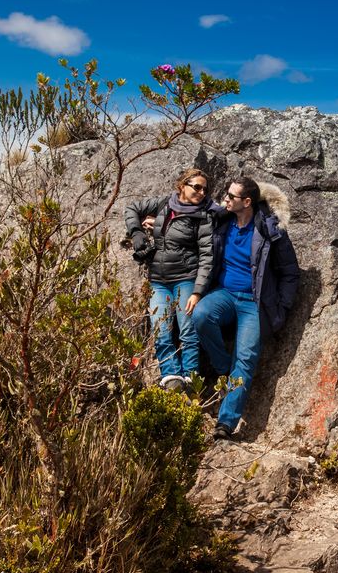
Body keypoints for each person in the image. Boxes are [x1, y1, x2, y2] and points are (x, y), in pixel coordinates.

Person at [193, 176, 300, 440]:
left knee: (247, 358)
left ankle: (226, 423)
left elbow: (290, 273)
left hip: (254, 303)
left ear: (248, 202)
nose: (225, 199)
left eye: (231, 196)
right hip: (224, 294)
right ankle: (223, 367)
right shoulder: (222, 221)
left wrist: (282, 308)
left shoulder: (269, 229)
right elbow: (184, 205)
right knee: (201, 315)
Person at [124, 168, 217, 391]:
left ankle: (191, 379)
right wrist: (136, 232)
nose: (201, 192)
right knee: (161, 330)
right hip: (158, 280)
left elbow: (207, 257)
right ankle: (171, 377)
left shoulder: (203, 218)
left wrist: (197, 291)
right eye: (197, 187)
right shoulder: (166, 204)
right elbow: (132, 208)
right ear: (182, 186)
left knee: (188, 331)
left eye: (205, 189)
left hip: (186, 279)